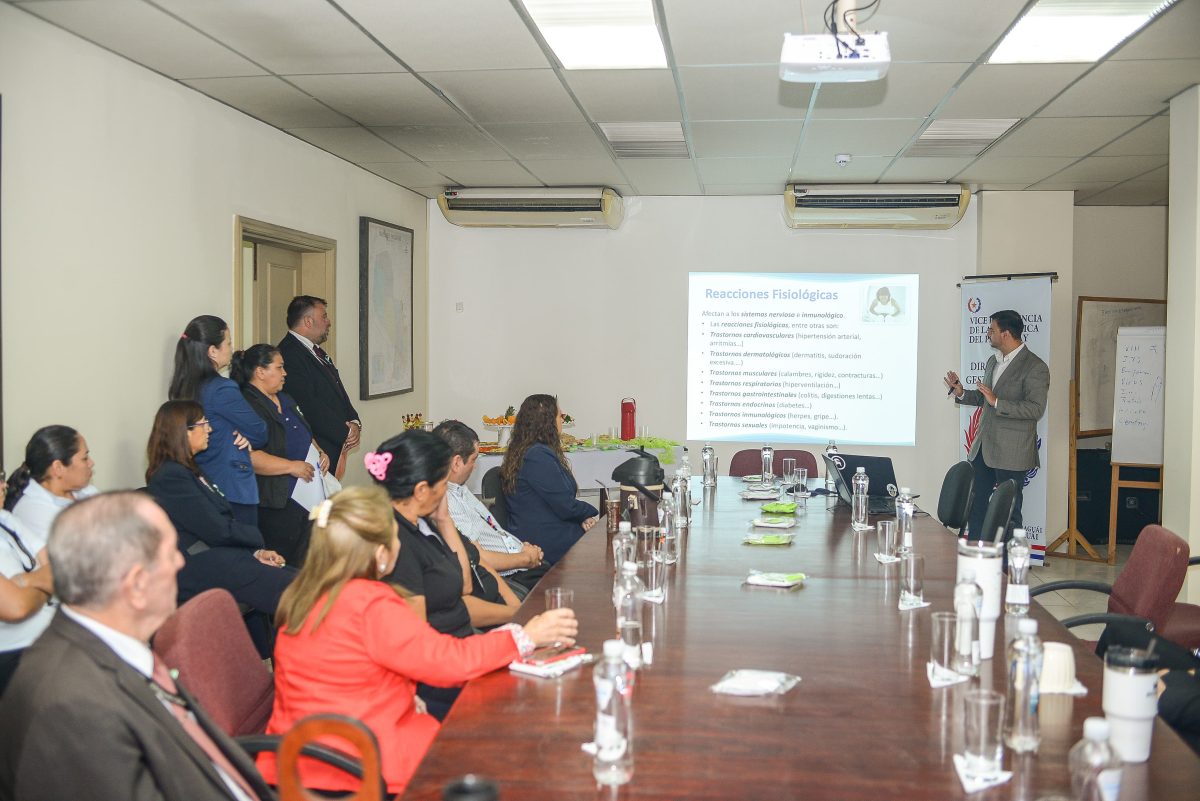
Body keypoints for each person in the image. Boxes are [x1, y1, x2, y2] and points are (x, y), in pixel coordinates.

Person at [257, 486, 577, 796]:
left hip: (296, 764)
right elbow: (448, 661)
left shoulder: (302, 596)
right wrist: (526, 635)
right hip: (358, 768)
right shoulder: (372, 604)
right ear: (382, 556)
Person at [0, 491, 274, 801]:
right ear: (137, 584)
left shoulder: (121, 648)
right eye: (170, 553)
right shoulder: (71, 705)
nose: (180, 561)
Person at [366, 430, 523, 718]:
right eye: (442, 483)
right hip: (440, 675)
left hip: (460, 650)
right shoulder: (395, 543)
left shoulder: (425, 524)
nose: (446, 490)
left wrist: (445, 519)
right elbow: (413, 645)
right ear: (422, 491)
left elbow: (463, 585)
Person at [145, 401, 293, 656]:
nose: (210, 429)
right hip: (199, 566)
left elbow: (220, 526)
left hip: (221, 556)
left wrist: (255, 553)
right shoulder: (170, 476)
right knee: (298, 591)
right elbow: (216, 530)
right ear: (184, 431)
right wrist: (255, 540)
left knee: (303, 584)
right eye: (203, 424)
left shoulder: (190, 470)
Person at [945, 309, 1050, 543]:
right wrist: (961, 393)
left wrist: (997, 401)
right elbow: (987, 399)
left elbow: (1035, 409)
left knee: (1009, 512)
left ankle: (1007, 567)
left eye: (991, 330)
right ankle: (979, 556)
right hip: (984, 447)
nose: (987, 333)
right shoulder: (993, 361)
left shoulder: (1035, 367)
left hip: (1012, 452)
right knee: (976, 504)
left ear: (1006, 333)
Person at [232, 344, 329, 566]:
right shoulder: (247, 405)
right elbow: (248, 456)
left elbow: (303, 432)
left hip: (310, 492)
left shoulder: (285, 398)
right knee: (289, 561)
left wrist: (320, 452)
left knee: (314, 555)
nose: (285, 373)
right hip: (278, 498)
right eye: (280, 367)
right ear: (260, 372)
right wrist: (291, 466)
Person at [168, 315, 267, 525]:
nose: (231, 348)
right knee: (246, 552)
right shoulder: (222, 388)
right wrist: (247, 436)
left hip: (201, 483)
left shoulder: (182, 387)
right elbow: (259, 431)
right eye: (228, 343)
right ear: (212, 351)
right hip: (232, 485)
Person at [433, 420, 549, 597]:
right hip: (506, 574)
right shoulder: (447, 501)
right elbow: (479, 558)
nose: (474, 467)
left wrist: (518, 547)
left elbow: (491, 530)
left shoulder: (459, 489)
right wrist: (525, 558)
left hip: (515, 562)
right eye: (473, 460)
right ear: (456, 463)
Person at [499, 394, 598, 566]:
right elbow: (565, 505)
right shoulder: (537, 455)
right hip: (543, 540)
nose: (562, 417)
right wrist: (592, 512)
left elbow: (557, 503)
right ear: (547, 421)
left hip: (548, 528)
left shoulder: (529, 450)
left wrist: (580, 517)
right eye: (559, 414)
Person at [276, 296, 361, 480]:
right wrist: (343, 432)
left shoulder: (317, 351)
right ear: (308, 321)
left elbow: (337, 389)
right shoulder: (289, 354)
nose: (328, 322)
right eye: (324, 316)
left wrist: (354, 421)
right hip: (315, 449)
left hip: (332, 447)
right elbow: (308, 404)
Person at [0, 469, 55, 696]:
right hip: (14, 652)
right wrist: (45, 585)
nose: (4, 485)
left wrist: (23, 582)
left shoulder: (6, 519)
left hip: (48, 637)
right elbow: (17, 608)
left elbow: (59, 566)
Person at [6, 425, 99, 551]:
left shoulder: (87, 491)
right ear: (58, 468)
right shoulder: (32, 511)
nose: (91, 463)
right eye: (84, 458)